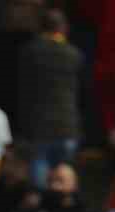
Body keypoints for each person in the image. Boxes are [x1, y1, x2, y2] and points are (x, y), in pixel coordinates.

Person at [15, 10, 82, 187]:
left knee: (40, 174)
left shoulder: (30, 52)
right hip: (68, 123)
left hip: (39, 124)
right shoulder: (72, 53)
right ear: (64, 28)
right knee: (64, 175)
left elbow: (23, 89)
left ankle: (42, 209)